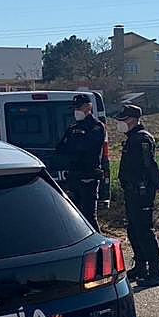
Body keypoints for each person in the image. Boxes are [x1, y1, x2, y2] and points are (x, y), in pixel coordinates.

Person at [114, 104, 159, 288]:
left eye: (123, 120)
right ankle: (140, 267)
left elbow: (149, 164)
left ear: (134, 119)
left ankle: (155, 273)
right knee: (133, 230)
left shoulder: (142, 139)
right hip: (132, 191)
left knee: (145, 231)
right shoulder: (131, 138)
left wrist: (156, 182)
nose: (120, 123)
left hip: (141, 192)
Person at [55, 94, 106, 229]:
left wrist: (73, 148)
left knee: (89, 215)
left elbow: (87, 148)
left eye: (79, 108)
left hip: (88, 177)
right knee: (75, 214)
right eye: (75, 108)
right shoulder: (72, 128)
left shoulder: (96, 127)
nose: (76, 111)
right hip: (74, 177)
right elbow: (61, 148)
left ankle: (97, 244)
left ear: (88, 107)